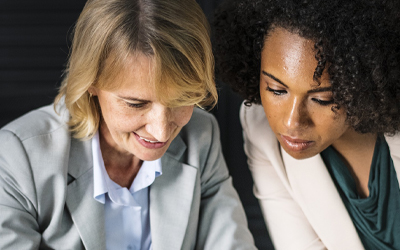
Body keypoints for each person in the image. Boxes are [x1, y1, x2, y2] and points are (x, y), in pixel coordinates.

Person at [0, 0, 257, 249]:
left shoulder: (200, 136)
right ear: (91, 81)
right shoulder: (17, 158)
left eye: (181, 100)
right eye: (136, 104)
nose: (161, 131)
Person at [214, 0, 400, 249]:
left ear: (363, 85)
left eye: (322, 99)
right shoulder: (262, 132)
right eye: (276, 90)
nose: (292, 121)